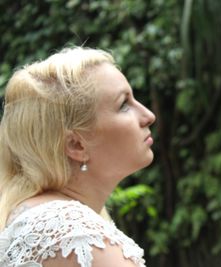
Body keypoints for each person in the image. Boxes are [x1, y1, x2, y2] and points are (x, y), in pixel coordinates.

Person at [0, 46, 156, 267]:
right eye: (123, 105)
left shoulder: (37, 217)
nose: (148, 116)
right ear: (76, 144)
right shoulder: (74, 233)